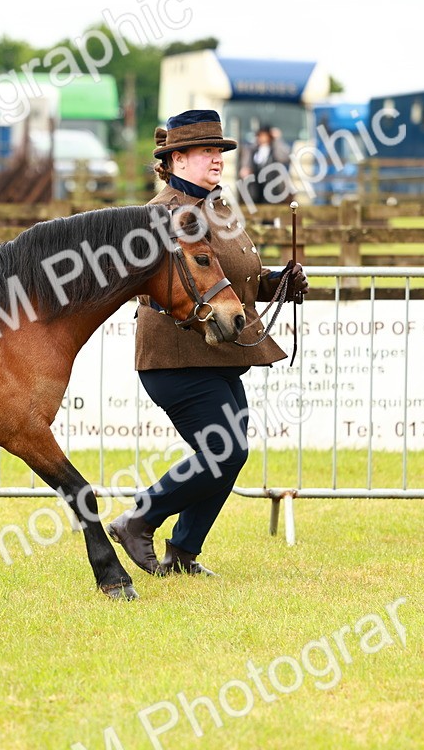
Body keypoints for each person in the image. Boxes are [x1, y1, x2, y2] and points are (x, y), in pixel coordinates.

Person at [106, 109, 309, 577]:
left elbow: (231, 280)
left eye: (219, 150)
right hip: (175, 355)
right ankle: (139, 518)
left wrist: (278, 281)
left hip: (220, 351)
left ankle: (182, 552)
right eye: (206, 151)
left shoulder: (218, 205)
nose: (217, 159)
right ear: (177, 158)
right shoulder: (162, 213)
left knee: (230, 453)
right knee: (226, 450)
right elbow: (154, 286)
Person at [238, 124, 293, 214]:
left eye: (265, 135)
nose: (262, 138)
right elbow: (246, 163)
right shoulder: (252, 149)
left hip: (272, 187)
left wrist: (278, 140)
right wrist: (245, 169)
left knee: (271, 211)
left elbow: (284, 157)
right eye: (260, 135)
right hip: (255, 187)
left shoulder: (275, 149)